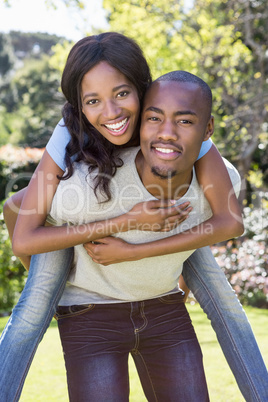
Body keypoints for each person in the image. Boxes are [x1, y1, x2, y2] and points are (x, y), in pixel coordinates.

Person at [0, 33, 267, 401]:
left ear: (143, 90)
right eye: (93, 100)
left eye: (122, 94)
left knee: (225, 304)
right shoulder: (70, 133)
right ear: (79, 106)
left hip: (173, 219)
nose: (110, 112)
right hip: (85, 239)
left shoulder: (174, 121)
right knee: (31, 312)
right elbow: (17, 208)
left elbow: (228, 218)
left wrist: (146, 253)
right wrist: (123, 225)